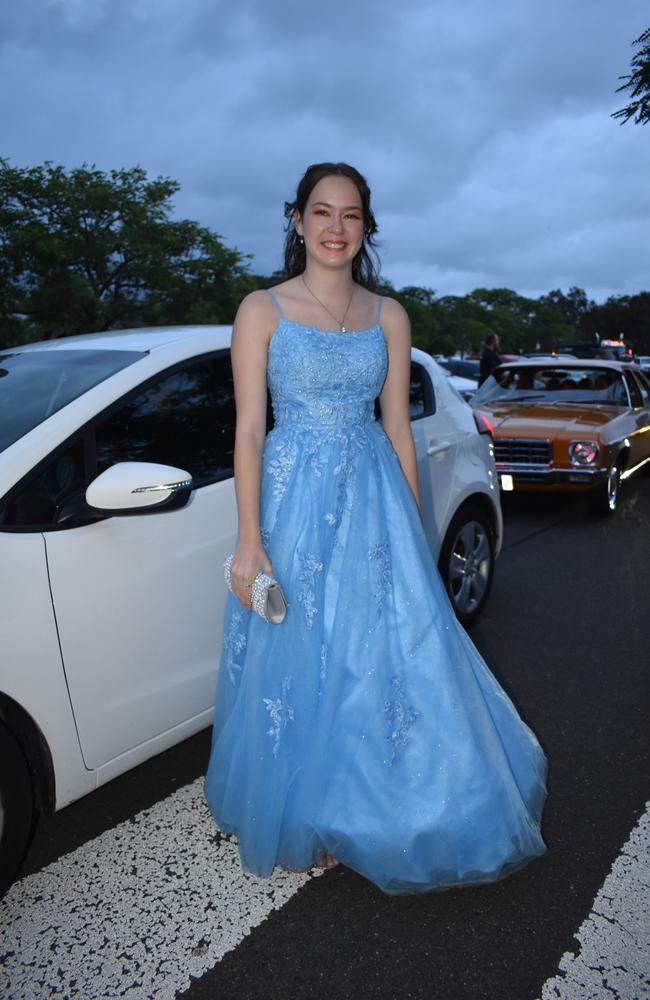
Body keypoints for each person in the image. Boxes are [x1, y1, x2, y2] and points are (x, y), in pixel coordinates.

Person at [204, 162, 547, 894]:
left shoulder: (388, 315)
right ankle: (310, 811)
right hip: (293, 505)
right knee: (302, 658)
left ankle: (369, 806)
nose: (335, 228)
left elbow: (397, 431)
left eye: (350, 215)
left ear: (366, 227)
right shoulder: (261, 309)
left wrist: (414, 537)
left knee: (373, 662)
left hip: (372, 503)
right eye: (321, 212)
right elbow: (250, 434)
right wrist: (249, 539)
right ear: (297, 220)